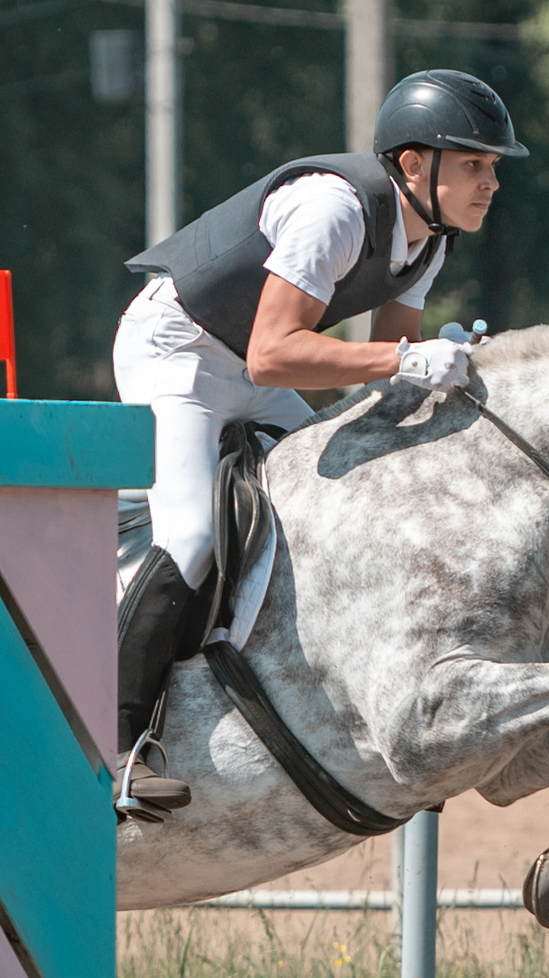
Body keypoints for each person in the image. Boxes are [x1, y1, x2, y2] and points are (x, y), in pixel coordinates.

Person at [110, 68, 528, 818]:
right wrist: (404, 359)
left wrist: (443, 363)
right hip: (179, 351)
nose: (490, 181)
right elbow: (279, 352)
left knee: (344, 507)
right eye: (473, 163)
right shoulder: (333, 210)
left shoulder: (427, 240)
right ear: (412, 164)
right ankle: (118, 745)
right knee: (193, 532)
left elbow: (379, 381)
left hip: (248, 364)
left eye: (492, 166)